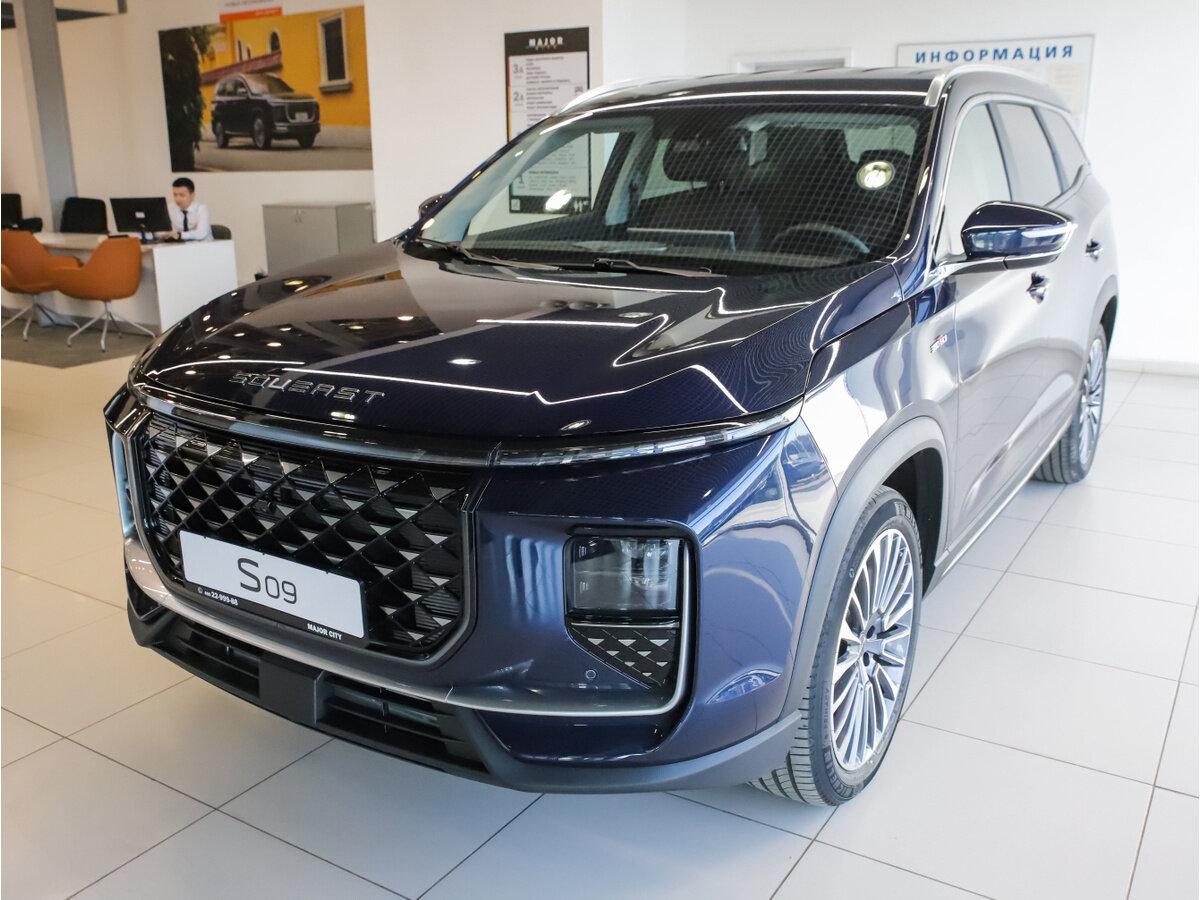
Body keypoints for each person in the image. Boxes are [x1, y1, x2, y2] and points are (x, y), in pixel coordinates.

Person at [162, 177, 212, 241]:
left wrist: (180, 235)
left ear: (192, 195)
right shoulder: (170, 208)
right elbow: (161, 231)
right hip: (178, 245)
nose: (178, 199)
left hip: (203, 244)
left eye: (182, 195)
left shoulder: (201, 209)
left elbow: (201, 233)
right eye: (175, 195)